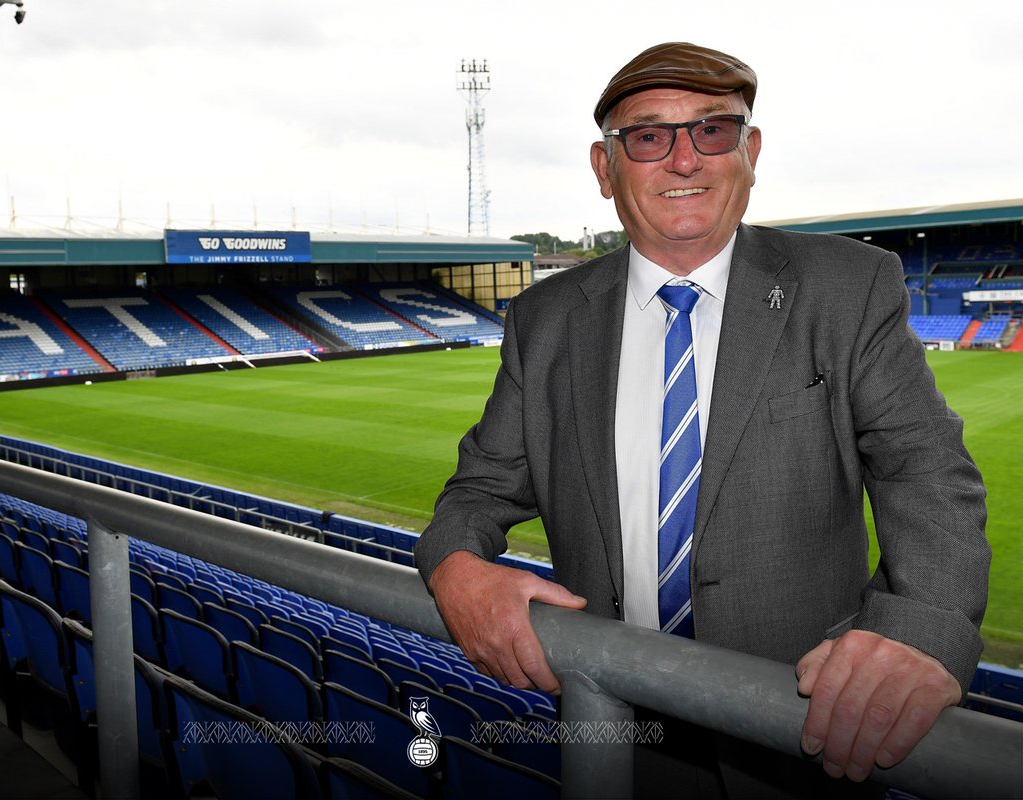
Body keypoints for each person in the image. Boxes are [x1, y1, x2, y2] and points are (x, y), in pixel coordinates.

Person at [415, 41, 990, 797]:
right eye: (649, 136)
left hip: (801, 732)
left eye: (712, 130)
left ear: (749, 151)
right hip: (615, 729)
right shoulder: (545, 318)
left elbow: (927, 470)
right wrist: (457, 567)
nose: (684, 160)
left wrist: (920, 628)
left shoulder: (848, 287)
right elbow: (479, 492)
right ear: (604, 168)